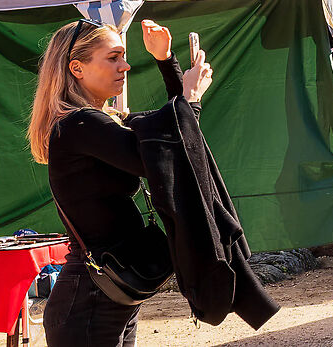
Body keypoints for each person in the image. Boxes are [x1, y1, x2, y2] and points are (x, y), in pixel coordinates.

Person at [31, 17, 214, 347]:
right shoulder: (78, 124)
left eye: (124, 57)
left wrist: (166, 61)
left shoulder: (98, 122)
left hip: (109, 294)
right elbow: (161, 157)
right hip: (89, 300)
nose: (125, 66)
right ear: (77, 68)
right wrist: (189, 98)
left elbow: (170, 135)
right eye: (113, 57)